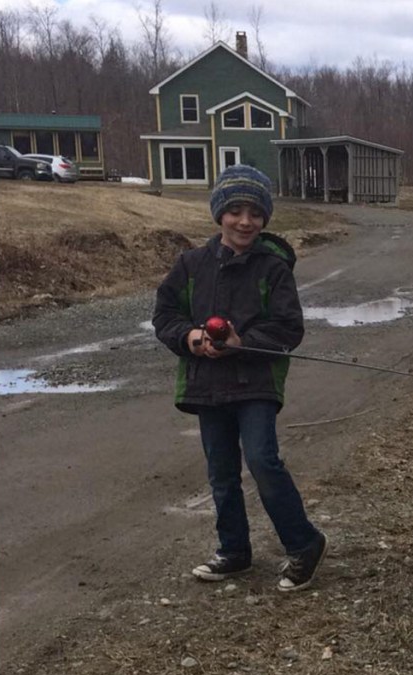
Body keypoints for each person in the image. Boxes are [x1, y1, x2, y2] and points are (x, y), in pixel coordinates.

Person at [153, 164, 327, 593]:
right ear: (219, 214)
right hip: (206, 383)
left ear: (265, 218)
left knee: (263, 460)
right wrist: (192, 338)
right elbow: (165, 316)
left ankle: (304, 544)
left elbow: (289, 328)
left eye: (254, 212)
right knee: (221, 471)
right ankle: (234, 551)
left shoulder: (273, 268)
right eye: (235, 211)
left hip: (256, 382)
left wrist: (241, 341)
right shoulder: (191, 264)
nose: (245, 221)